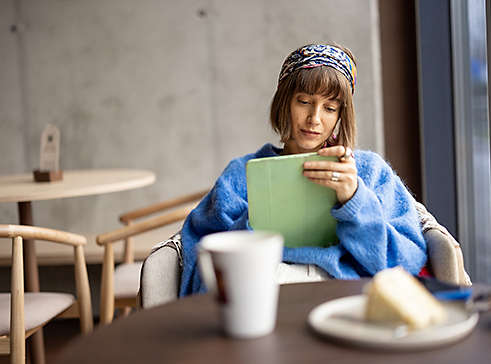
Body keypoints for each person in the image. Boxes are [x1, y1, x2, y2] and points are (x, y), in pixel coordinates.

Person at [178, 43, 427, 296]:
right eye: (304, 101)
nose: (314, 118)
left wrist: (354, 201)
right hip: (265, 289)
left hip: (344, 292)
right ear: (285, 102)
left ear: (341, 115)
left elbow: (405, 265)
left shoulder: (369, 171)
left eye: (330, 108)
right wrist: (256, 221)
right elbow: (202, 277)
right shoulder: (241, 175)